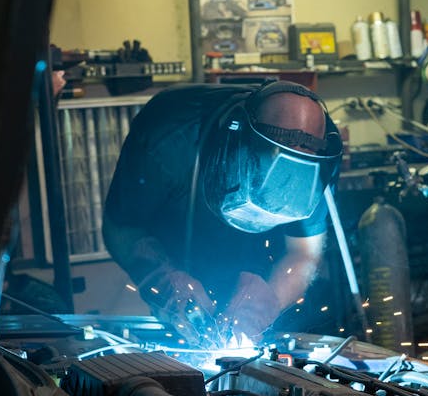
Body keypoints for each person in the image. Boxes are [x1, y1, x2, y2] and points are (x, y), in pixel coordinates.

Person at [102, 80, 342, 345]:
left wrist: (268, 301)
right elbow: (121, 227)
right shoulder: (168, 135)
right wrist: (163, 278)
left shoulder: (318, 157)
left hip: (261, 267)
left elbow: (304, 253)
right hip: (180, 246)